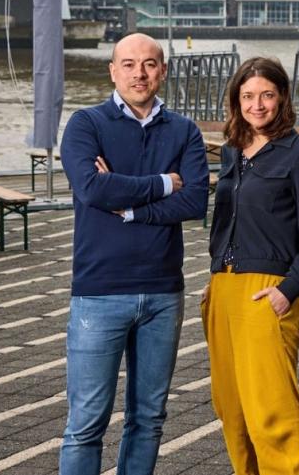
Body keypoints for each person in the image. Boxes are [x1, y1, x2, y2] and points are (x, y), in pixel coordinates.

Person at [57, 33, 210, 475]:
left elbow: (195, 201)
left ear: (163, 70)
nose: (138, 73)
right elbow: (90, 187)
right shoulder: (86, 125)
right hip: (99, 294)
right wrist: (163, 183)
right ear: (112, 70)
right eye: (128, 64)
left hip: (163, 293)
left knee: (148, 419)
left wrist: (124, 206)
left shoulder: (184, 130)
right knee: (86, 423)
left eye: (148, 64)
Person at [203, 57, 299, 475]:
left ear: (282, 98)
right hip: (223, 291)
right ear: (236, 101)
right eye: (247, 96)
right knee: (233, 412)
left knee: (272, 414)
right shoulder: (232, 153)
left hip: (267, 291)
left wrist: (287, 290)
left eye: (266, 95)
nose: (257, 105)